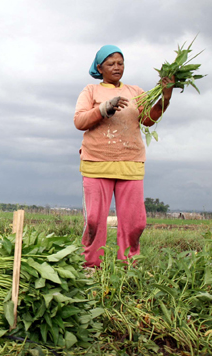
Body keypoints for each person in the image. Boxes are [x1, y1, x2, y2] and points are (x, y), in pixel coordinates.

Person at [74, 45, 175, 268]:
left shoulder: (136, 92)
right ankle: (90, 268)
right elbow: (79, 121)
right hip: (96, 163)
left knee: (135, 223)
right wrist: (104, 109)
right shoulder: (91, 91)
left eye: (120, 63)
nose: (117, 67)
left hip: (130, 163)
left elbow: (148, 119)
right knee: (93, 221)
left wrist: (165, 97)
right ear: (99, 67)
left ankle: (128, 269)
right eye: (111, 64)